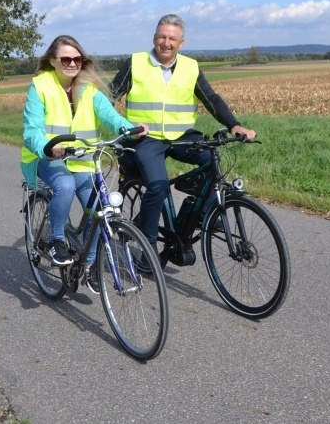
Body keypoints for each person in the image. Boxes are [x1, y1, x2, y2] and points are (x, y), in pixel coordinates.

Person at [109, 14, 256, 264]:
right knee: (158, 185)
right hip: (146, 138)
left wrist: (234, 125)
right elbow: (110, 97)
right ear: (154, 38)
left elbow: (211, 99)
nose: (166, 43)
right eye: (162, 37)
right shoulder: (135, 63)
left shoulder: (190, 67)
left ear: (181, 43)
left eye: (172, 39)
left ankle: (197, 213)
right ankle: (147, 244)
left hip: (182, 136)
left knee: (212, 158)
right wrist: (120, 128)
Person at [21, 35, 147, 294]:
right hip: (46, 158)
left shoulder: (89, 90)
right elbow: (32, 129)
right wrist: (47, 146)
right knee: (65, 185)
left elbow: (110, 117)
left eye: (77, 59)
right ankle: (56, 241)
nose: (72, 63)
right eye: (66, 59)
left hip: (83, 160)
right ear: (53, 60)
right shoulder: (40, 86)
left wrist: (129, 130)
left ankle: (89, 265)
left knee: (99, 208)